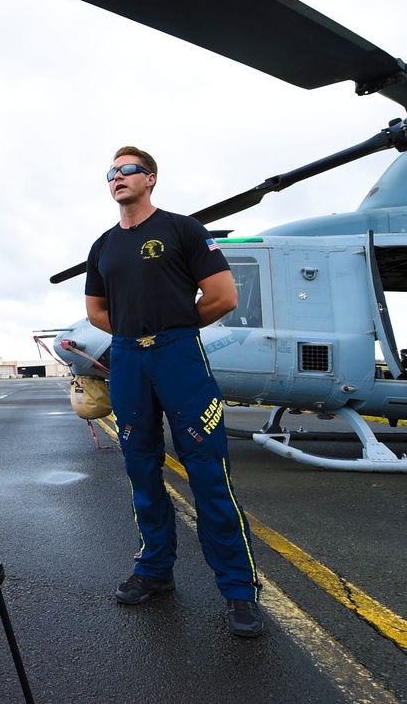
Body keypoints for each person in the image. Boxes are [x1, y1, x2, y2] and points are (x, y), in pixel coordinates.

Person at [84, 146, 264, 637]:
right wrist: (133, 333)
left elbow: (223, 296)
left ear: (151, 178)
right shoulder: (103, 246)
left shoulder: (183, 229)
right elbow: (97, 311)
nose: (117, 177)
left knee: (208, 471)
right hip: (126, 360)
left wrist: (174, 326)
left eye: (127, 170)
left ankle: (239, 590)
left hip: (178, 355)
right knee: (140, 469)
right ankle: (154, 570)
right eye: (111, 173)